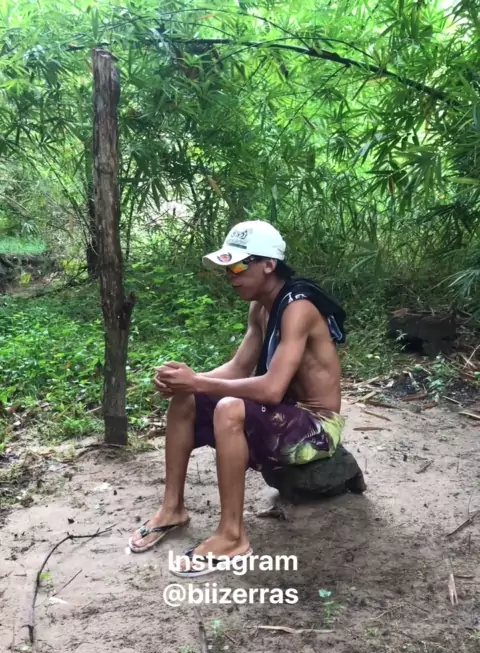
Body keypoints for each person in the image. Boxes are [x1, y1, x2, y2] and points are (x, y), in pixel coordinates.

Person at [128, 220, 346, 576]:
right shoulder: (260, 307)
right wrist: (187, 384)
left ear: (269, 265)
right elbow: (239, 367)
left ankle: (232, 536)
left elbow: (272, 389)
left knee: (229, 409)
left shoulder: (298, 308)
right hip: (283, 413)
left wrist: (198, 381)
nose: (231, 276)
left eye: (240, 266)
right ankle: (172, 508)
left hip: (316, 427)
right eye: (228, 268)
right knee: (186, 398)